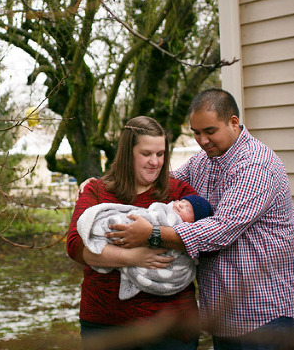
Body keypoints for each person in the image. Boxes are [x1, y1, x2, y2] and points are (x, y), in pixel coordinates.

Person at [107, 89, 294, 350]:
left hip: (266, 312)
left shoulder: (256, 165)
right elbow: (160, 182)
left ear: (233, 123)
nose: (202, 140)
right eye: (196, 132)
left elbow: (221, 230)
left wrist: (152, 234)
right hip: (225, 314)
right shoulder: (203, 162)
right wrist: (104, 184)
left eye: (210, 131)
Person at [66, 115, 203, 350]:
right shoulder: (97, 190)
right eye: (146, 153)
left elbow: (202, 237)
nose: (155, 162)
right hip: (106, 324)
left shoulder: (179, 193)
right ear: (128, 153)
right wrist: (134, 258)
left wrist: (151, 233)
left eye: (160, 154)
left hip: (170, 327)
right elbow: (76, 246)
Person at [77, 195, 212, 300]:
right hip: (105, 315)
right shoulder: (95, 188)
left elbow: (202, 239)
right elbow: (74, 247)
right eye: (180, 201)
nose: (180, 205)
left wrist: (154, 234)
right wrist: (131, 257)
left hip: (170, 321)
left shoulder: (177, 188)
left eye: (188, 208)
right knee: (116, 226)